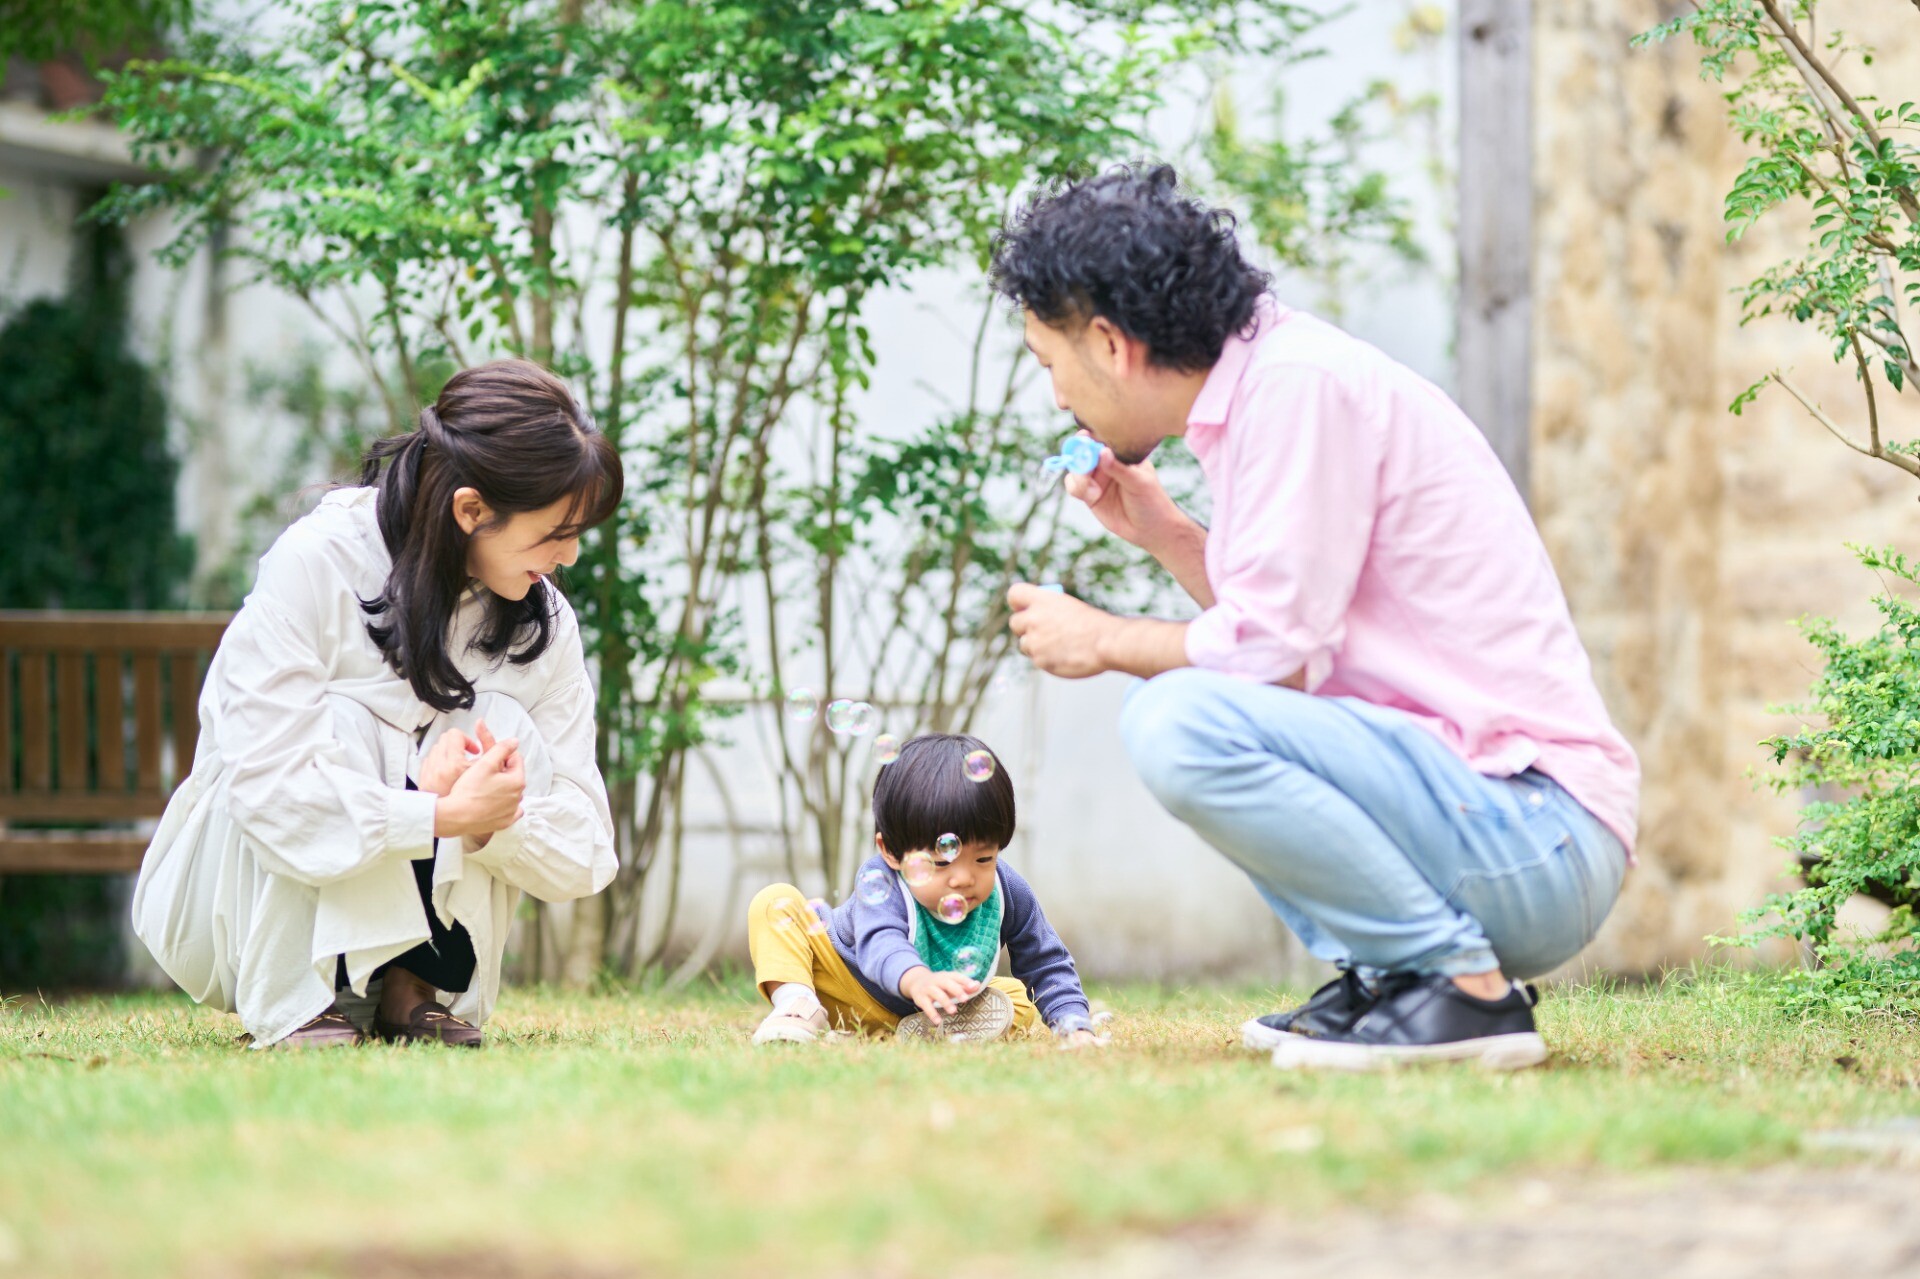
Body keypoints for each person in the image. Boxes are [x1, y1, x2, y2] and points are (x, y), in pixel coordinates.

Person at [994, 165, 1640, 1071]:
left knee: (1176, 718)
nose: (1057, 394)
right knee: (1199, 710)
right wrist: (1171, 534)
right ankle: (1400, 976)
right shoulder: (1269, 390)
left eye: (1048, 362)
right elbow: (1291, 652)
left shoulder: (1299, 390)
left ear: (1108, 343)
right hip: (1500, 822)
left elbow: (1267, 655)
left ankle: (1459, 988)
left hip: (1536, 832)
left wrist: (1101, 638)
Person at [132, 360, 623, 1049]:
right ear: (471, 509)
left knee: (496, 725)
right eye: (554, 533)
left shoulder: (541, 621)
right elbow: (266, 789)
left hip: (414, 904)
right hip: (228, 900)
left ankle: (410, 990)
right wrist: (437, 812)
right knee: (346, 716)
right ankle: (300, 1001)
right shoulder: (318, 562)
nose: (568, 554)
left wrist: (487, 820)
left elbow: (587, 850)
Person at [747, 735, 1100, 1047]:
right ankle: (798, 1007)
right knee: (774, 903)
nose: (964, 878)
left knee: (1016, 998)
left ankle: (920, 1029)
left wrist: (1073, 1024)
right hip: (841, 984)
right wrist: (916, 978)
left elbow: (1045, 960)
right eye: (942, 861)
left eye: (984, 857)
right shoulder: (881, 880)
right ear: (891, 851)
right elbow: (880, 941)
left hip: (930, 1008)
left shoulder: (1008, 891)